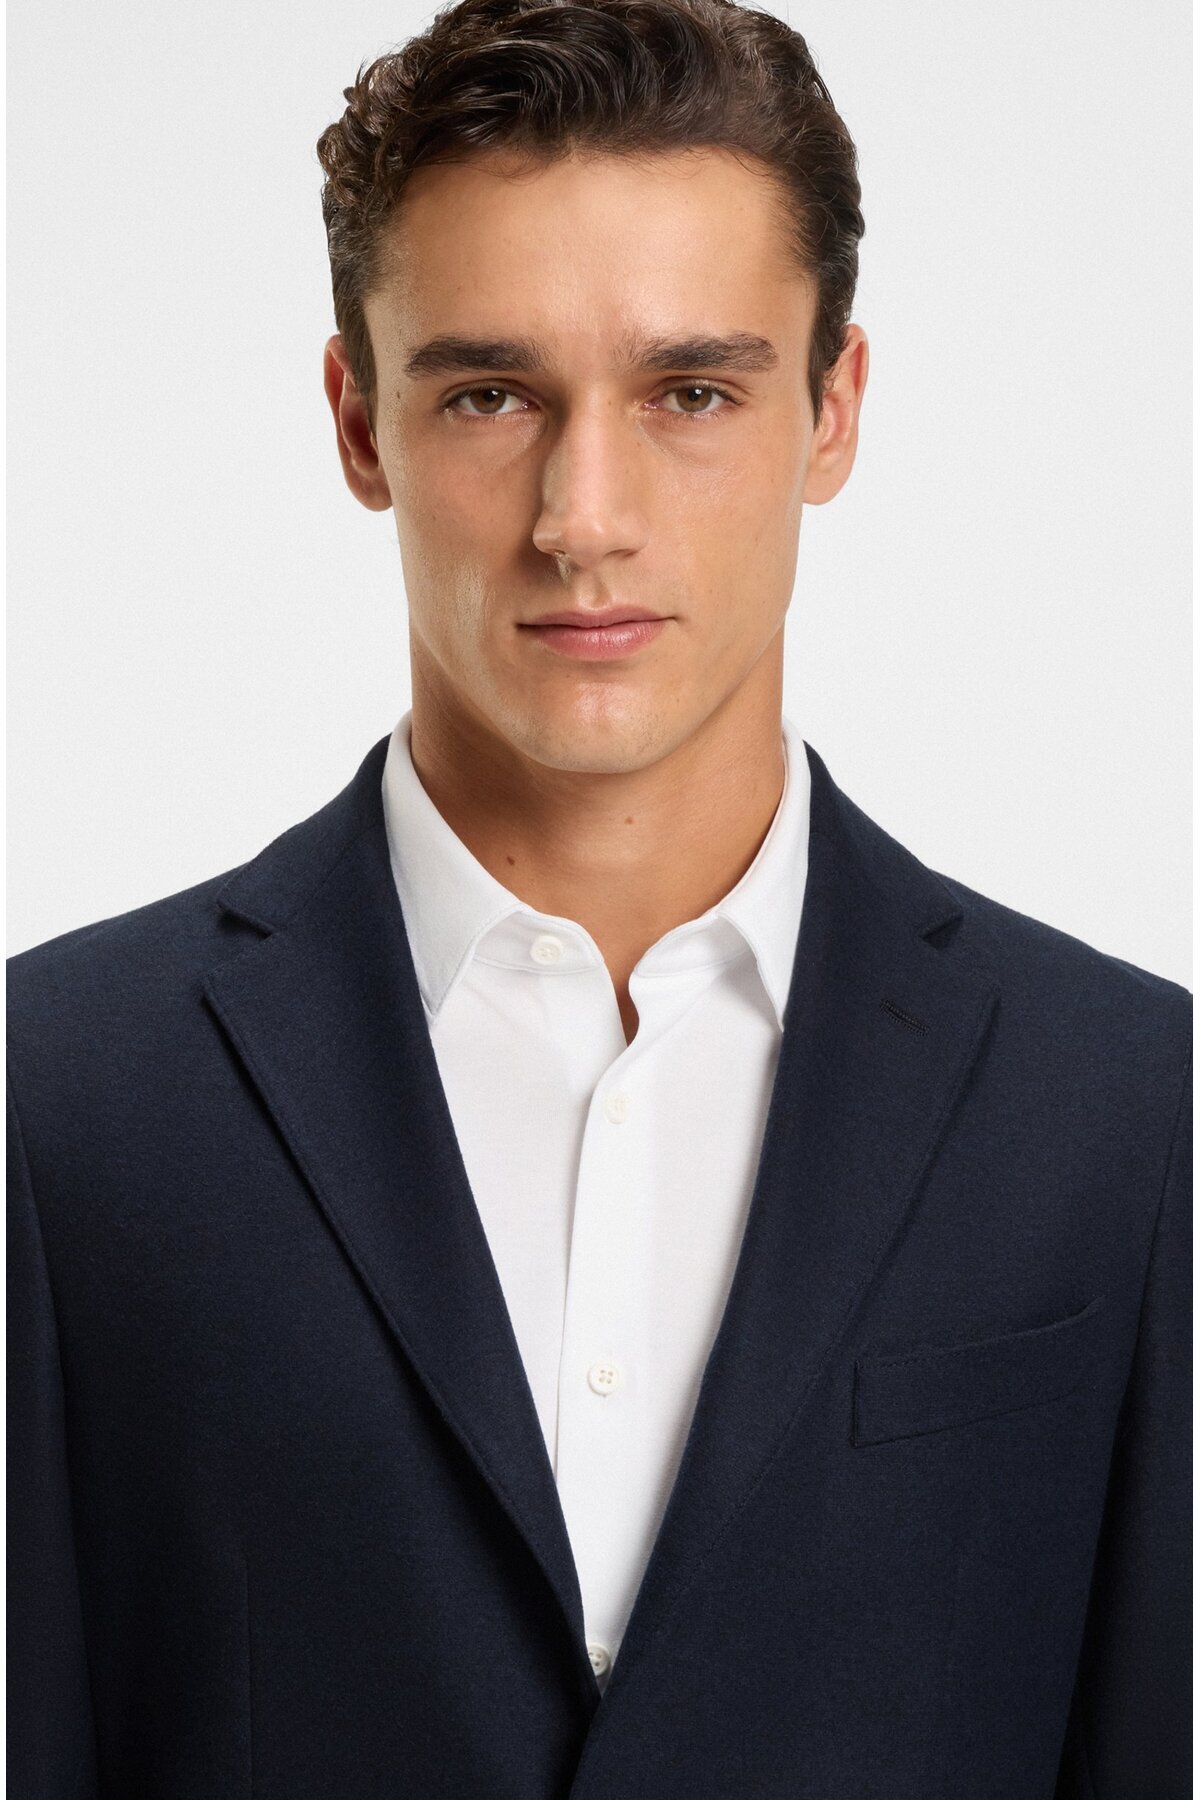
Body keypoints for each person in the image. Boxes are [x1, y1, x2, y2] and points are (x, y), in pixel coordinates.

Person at [8, 0, 1190, 1792]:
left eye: (691, 393)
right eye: (490, 394)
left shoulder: (1127, 1104)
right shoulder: (57, 1096)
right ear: (358, 423)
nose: (584, 515)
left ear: (832, 412)